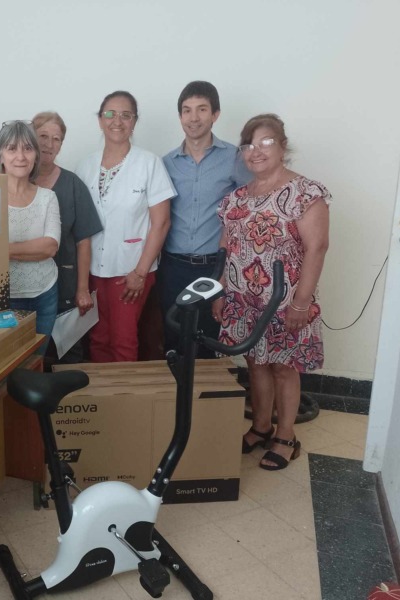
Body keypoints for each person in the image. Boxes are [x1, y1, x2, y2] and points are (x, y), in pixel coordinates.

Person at [213, 114, 331, 470]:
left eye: (266, 142)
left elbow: (317, 248)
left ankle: (286, 436)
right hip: (243, 300)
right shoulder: (235, 199)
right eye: (249, 145)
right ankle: (261, 427)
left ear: (282, 147)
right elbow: (226, 248)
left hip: (286, 301)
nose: (256, 151)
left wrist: (301, 303)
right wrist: (220, 291)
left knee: (283, 367)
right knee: (255, 363)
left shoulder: (306, 193)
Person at [75, 91, 174, 363]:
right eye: (110, 114)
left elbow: (161, 222)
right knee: (97, 339)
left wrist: (140, 272)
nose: (117, 121)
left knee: (123, 340)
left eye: (125, 115)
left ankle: (126, 392)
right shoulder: (85, 166)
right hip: (94, 269)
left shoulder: (149, 163)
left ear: (134, 122)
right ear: (100, 120)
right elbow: (81, 226)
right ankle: (103, 390)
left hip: (131, 270)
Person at [160, 81, 252, 357]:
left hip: (214, 267)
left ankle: (205, 388)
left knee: (207, 341)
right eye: (187, 110)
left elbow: (248, 210)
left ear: (215, 114)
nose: (194, 117)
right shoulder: (166, 163)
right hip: (173, 267)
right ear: (180, 117)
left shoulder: (234, 158)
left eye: (202, 109)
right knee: (174, 339)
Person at [32, 111, 103, 363]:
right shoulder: (15, 182)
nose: (49, 144)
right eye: (43, 136)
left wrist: (82, 289)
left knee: (68, 353)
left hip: (65, 284)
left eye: (56, 139)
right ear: (31, 137)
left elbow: (84, 241)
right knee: (30, 354)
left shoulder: (73, 185)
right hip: (27, 286)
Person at [0, 120, 61, 356]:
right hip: (1, 298)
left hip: (44, 294)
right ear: (1, 155)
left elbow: (50, 247)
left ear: (36, 155)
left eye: (27, 148)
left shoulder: (48, 197)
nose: (20, 156)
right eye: (12, 148)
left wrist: (3, 250)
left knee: (36, 360)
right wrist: (31, 250)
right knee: (5, 364)